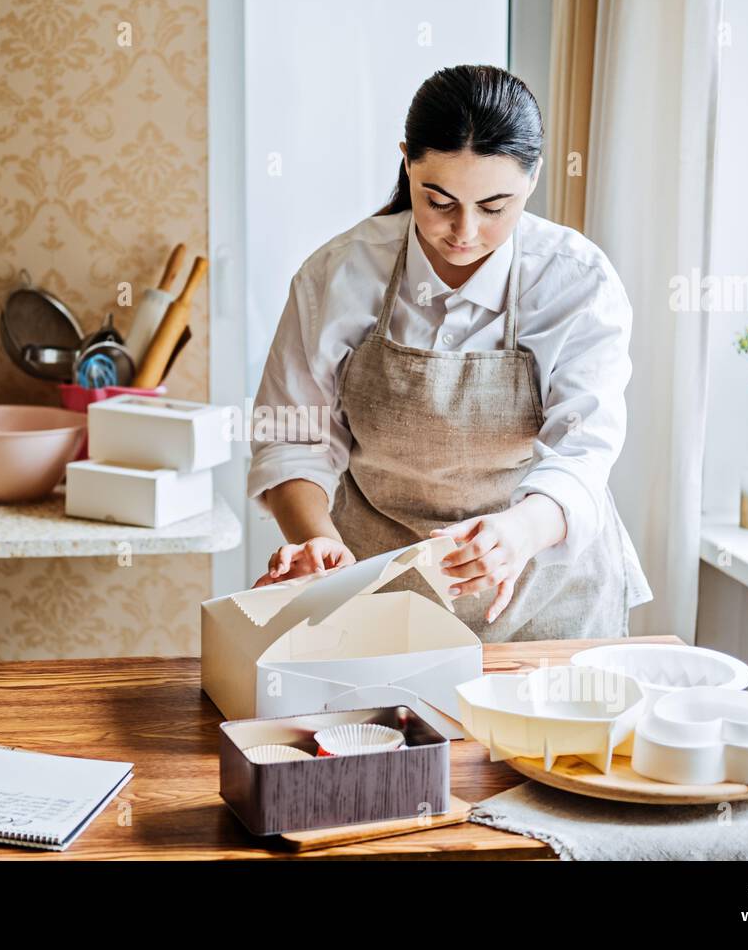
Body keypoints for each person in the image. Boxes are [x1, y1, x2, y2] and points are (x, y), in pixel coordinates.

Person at [248, 64, 652, 641]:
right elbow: (292, 437)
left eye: (494, 207)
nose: (464, 231)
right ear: (407, 161)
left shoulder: (575, 281)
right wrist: (317, 539)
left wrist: (519, 532)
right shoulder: (338, 275)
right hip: (373, 584)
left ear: (533, 179)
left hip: (547, 593)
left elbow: (583, 451)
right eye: (438, 201)